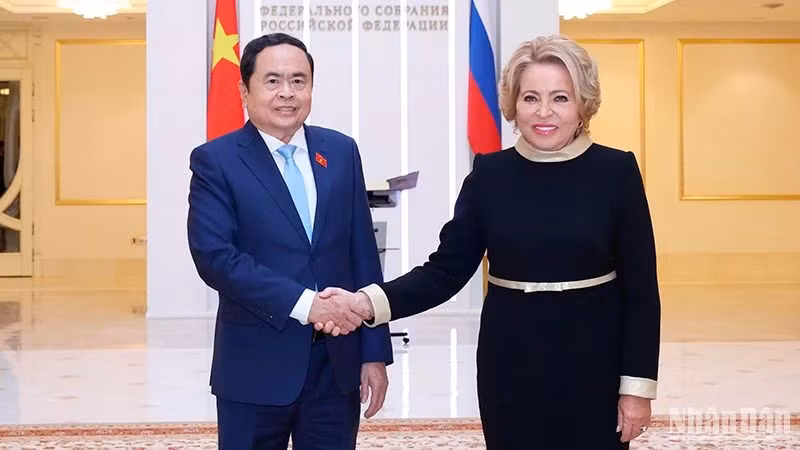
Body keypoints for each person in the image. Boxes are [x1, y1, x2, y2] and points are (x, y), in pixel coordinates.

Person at [317, 35, 661, 449]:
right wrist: (368, 302)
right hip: (510, 364)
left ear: (583, 104)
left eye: (561, 98)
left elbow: (642, 292)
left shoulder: (616, 172)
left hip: (595, 365)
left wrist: (637, 388)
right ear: (513, 104)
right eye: (531, 97)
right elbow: (444, 272)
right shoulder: (490, 175)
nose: (544, 112)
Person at [187, 32, 392, 449]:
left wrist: (374, 352)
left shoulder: (340, 151)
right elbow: (216, 258)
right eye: (273, 80)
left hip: (336, 366)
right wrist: (308, 304)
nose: (287, 93)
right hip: (255, 366)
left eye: (299, 80)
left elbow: (362, 255)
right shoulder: (216, 161)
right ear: (245, 90)